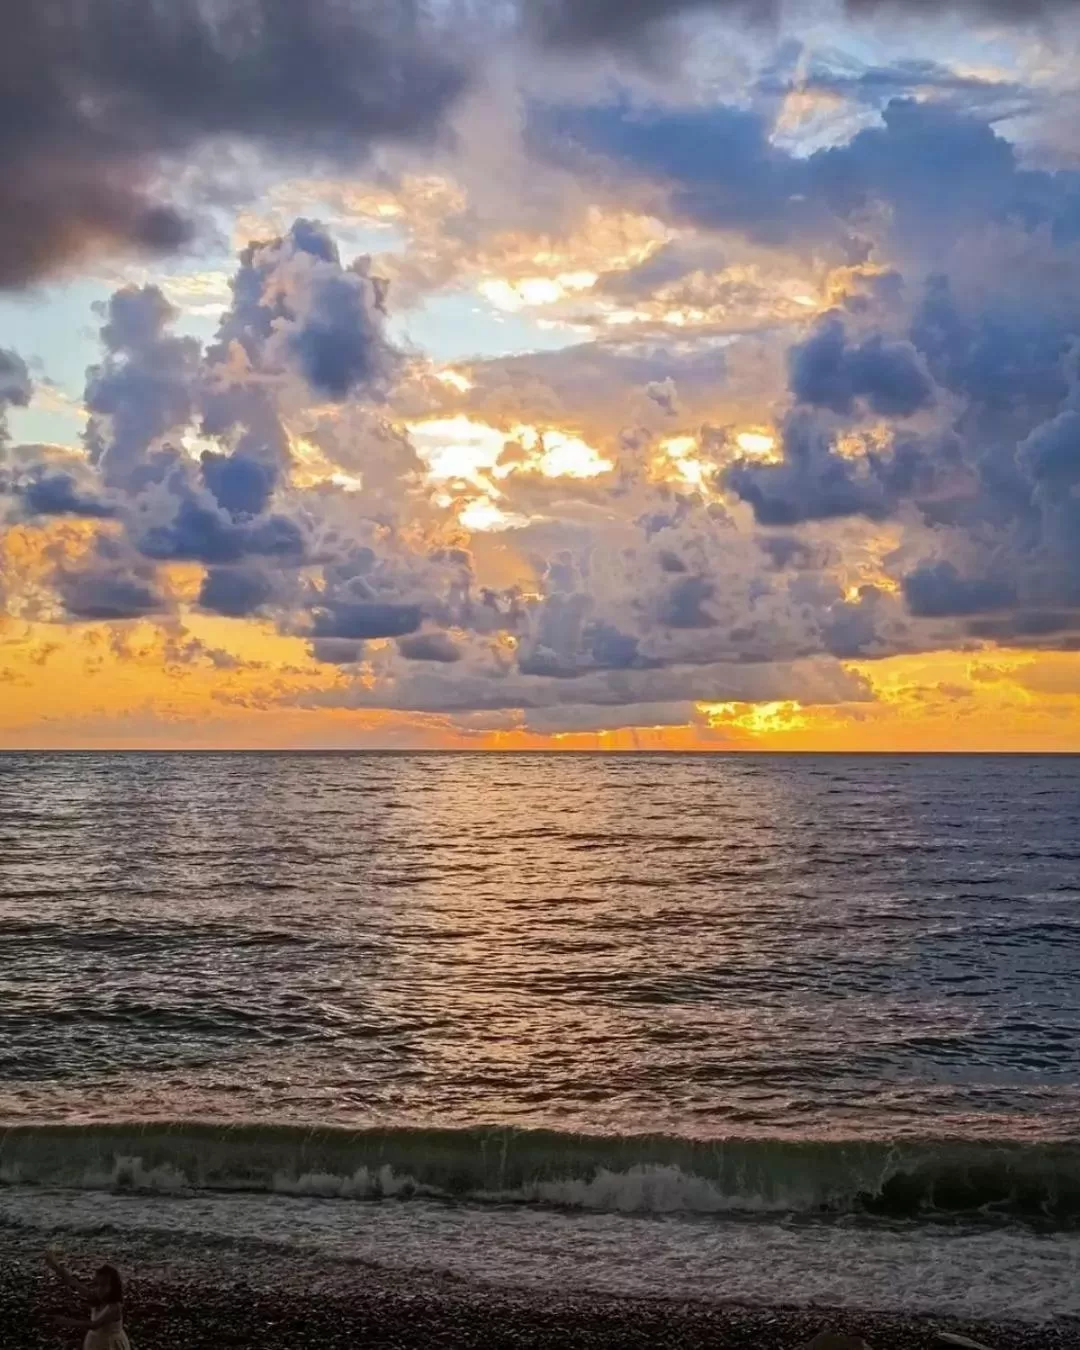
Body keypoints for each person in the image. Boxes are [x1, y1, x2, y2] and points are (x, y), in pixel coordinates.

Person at [44, 1251, 131, 1349]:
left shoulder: (114, 1307)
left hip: (111, 1344)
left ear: (114, 1286)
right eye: (97, 1284)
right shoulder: (96, 1297)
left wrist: (67, 1321)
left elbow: (94, 1325)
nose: (99, 1289)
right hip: (96, 1341)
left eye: (104, 1285)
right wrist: (55, 1266)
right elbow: (73, 1282)